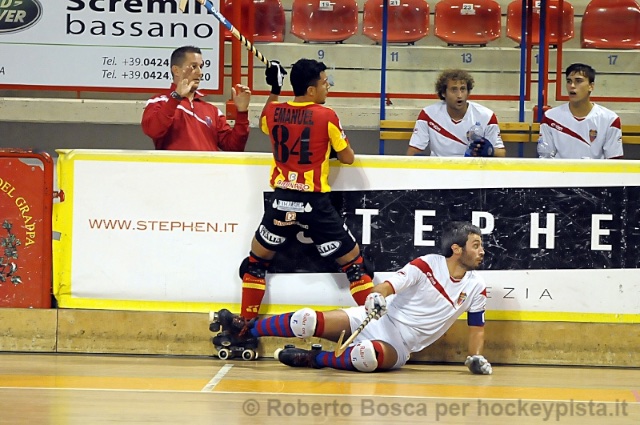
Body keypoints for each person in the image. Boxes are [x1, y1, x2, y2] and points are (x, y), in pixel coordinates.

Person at [216, 221, 492, 375]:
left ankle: (316, 359)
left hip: (399, 345)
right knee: (306, 320)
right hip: (377, 318)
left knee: (367, 357)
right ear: (456, 249)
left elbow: (476, 327)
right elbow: (389, 286)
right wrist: (376, 297)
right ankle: (246, 329)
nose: (482, 251)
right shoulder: (427, 264)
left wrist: (475, 357)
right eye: (476, 245)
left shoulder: (476, 287)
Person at [237, 58, 374, 322]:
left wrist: (275, 89)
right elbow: (347, 158)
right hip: (315, 205)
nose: (328, 87)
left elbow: (264, 121)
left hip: (281, 201)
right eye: (325, 82)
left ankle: (244, 328)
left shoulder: (274, 112)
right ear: (311, 90)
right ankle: (379, 326)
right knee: (356, 268)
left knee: (255, 264)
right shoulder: (327, 115)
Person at [141, 45, 251, 151]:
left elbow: (234, 148)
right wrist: (176, 97)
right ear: (176, 70)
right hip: (175, 165)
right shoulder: (159, 101)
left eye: (201, 67)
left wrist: (242, 112)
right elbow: (152, 131)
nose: (200, 73)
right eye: (194, 66)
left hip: (210, 165)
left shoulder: (212, 110)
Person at [407, 69, 506, 158]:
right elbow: (412, 152)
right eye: (454, 90)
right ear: (443, 93)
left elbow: (501, 153)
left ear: (468, 92)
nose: (459, 95)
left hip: (472, 169)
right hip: (440, 169)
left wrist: (490, 151)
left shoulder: (486, 116)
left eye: (463, 89)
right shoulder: (428, 114)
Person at [537, 63, 624, 159]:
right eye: (569, 81)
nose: (572, 85)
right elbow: (545, 159)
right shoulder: (550, 117)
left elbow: (614, 161)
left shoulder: (610, 119)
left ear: (591, 86)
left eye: (578, 81)